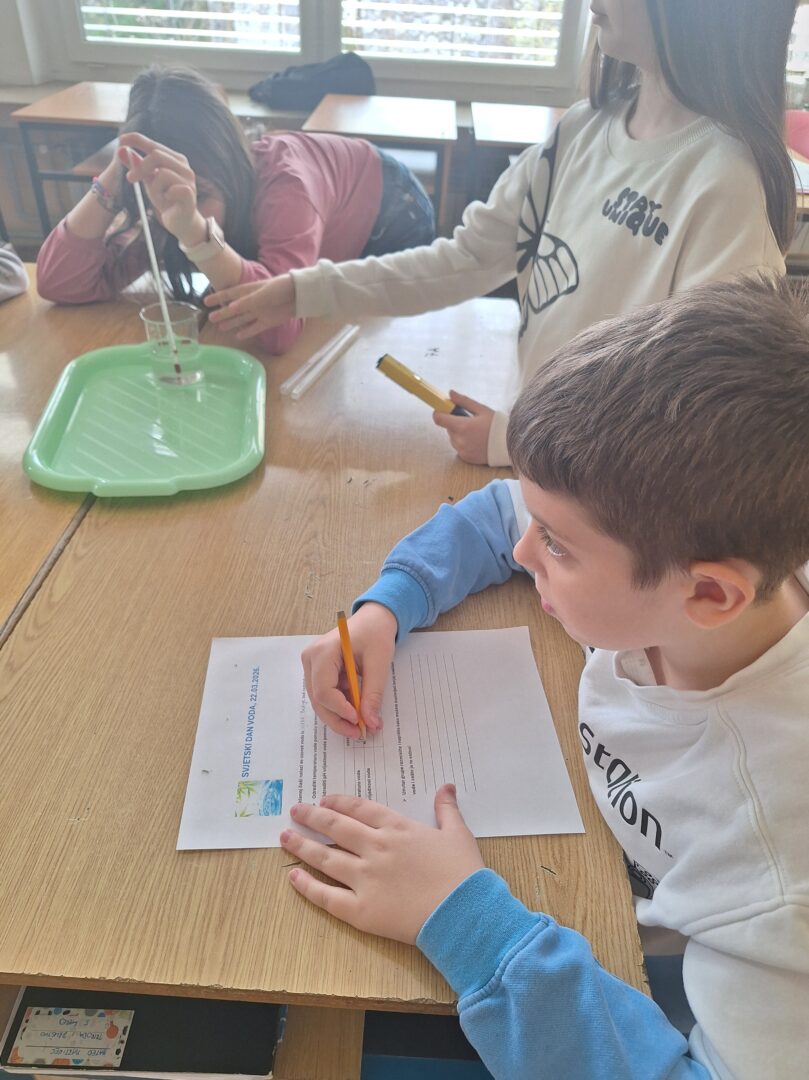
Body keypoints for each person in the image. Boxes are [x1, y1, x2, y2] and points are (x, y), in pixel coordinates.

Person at [285, 275, 809, 1078]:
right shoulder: (685, 563)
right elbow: (499, 515)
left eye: (555, 546)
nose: (523, 549)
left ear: (708, 594)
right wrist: (386, 607)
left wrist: (466, 924)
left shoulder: (775, 871)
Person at [207, 0, 797, 465]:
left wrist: (517, 442)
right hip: (548, 472)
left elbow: (698, 434)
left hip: (600, 503)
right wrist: (304, 290)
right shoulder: (582, 130)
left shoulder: (728, 184)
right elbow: (463, 259)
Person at [36, 65, 434, 353]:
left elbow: (281, 329)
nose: (180, 214)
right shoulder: (169, 204)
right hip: (324, 216)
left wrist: (196, 234)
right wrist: (116, 173)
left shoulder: (286, 187)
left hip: (392, 214)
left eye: (201, 197)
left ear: (228, 168)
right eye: (163, 200)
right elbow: (58, 284)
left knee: (363, 340)